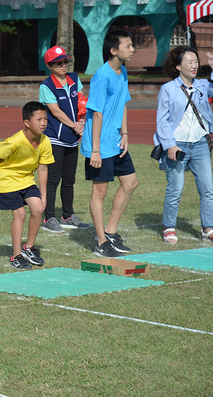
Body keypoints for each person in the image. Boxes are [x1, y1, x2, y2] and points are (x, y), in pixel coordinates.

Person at [80, 29, 138, 258]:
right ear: (114, 50)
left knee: (130, 183)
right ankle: (101, 242)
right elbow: (96, 114)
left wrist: (125, 133)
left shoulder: (122, 71)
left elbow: (123, 102)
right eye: (128, 46)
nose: (132, 49)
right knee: (100, 192)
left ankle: (110, 232)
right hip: (100, 145)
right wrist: (95, 150)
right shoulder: (101, 76)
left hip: (116, 141)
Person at [155, 46, 213, 243]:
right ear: (178, 66)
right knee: (176, 187)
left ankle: (208, 228)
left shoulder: (204, 85)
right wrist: (170, 145)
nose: (194, 65)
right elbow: (162, 121)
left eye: (196, 61)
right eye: (189, 62)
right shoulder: (168, 89)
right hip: (177, 145)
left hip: (200, 144)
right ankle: (169, 227)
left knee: (207, 188)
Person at [0, 102, 54, 269]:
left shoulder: (45, 141)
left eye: (45, 119)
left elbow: (43, 167)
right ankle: (16, 256)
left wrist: (44, 196)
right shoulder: (15, 141)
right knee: (19, 213)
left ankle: (28, 248)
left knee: (38, 208)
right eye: (39, 119)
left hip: (25, 179)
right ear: (27, 123)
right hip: (7, 179)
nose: (43, 123)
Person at [39, 46, 90, 233]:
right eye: (58, 63)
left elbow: (81, 102)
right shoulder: (46, 86)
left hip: (72, 137)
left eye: (65, 61)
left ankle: (68, 215)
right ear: (50, 66)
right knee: (53, 178)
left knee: (69, 179)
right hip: (55, 137)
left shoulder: (74, 79)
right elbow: (56, 112)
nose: (63, 65)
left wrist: (82, 121)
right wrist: (74, 125)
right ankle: (49, 217)